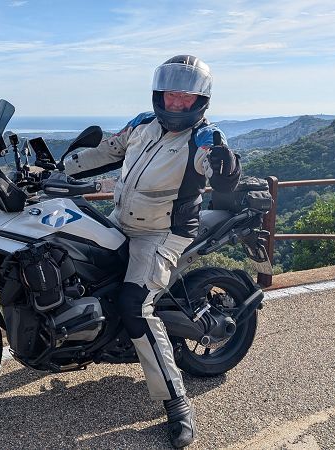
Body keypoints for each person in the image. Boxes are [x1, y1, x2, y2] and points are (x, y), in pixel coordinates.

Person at [63, 55, 241, 448]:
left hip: (162, 234)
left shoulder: (204, 137)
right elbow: (106, 152)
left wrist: (226, 167)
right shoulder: (143, 124)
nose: (176, 103)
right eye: (171, 95)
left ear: (200, 101)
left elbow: (219, 170)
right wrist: (58, 168)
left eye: (185, 97)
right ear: (159, 94)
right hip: (121, 220)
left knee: (135, 305)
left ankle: (177, 403)